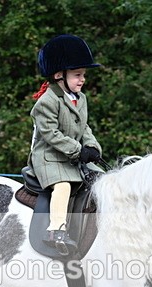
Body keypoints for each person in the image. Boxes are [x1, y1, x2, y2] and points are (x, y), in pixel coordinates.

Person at [29, 34, 103, 256]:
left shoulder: (80, 98)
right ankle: (56, 230)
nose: (83, 80)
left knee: (101, 181)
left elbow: (85, 127)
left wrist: (92, 147)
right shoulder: (47, 102)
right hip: (49, 157)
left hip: (71, 156)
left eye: (83, 75)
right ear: (59, 75)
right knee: (63, 187)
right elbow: (51, 134)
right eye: (78, 75)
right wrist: (78, 150)